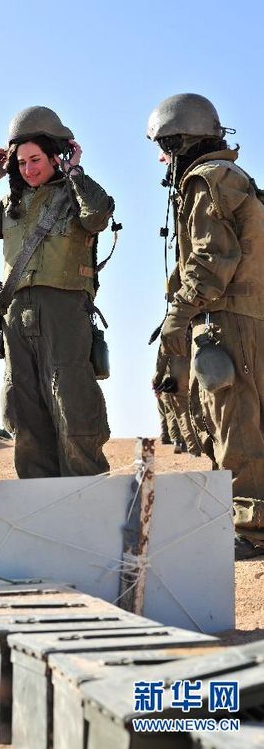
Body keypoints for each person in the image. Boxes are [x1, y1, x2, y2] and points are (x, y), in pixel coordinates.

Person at [0, 106, 115, 478]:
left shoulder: (77, 196)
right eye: (20, 163)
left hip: (63, 312)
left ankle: (86, 493)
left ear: (56, 156)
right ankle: (39, 499)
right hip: (14, 317)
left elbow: (96, 217)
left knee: (73, 404)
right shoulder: (10, 206)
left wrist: (75, 172)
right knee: (22, 410)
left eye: (35, 159)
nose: (28, 169)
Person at [147, 93, 264, 557]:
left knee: (233, 421)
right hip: (241, 317)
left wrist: (177, 317)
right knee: (235, 417)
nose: (161, 160)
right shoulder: (231, 176)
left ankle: (251, 529)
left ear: (179, 143)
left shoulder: (206, 179)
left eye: (163, 148)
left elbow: (211, 259)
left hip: (227, 318)